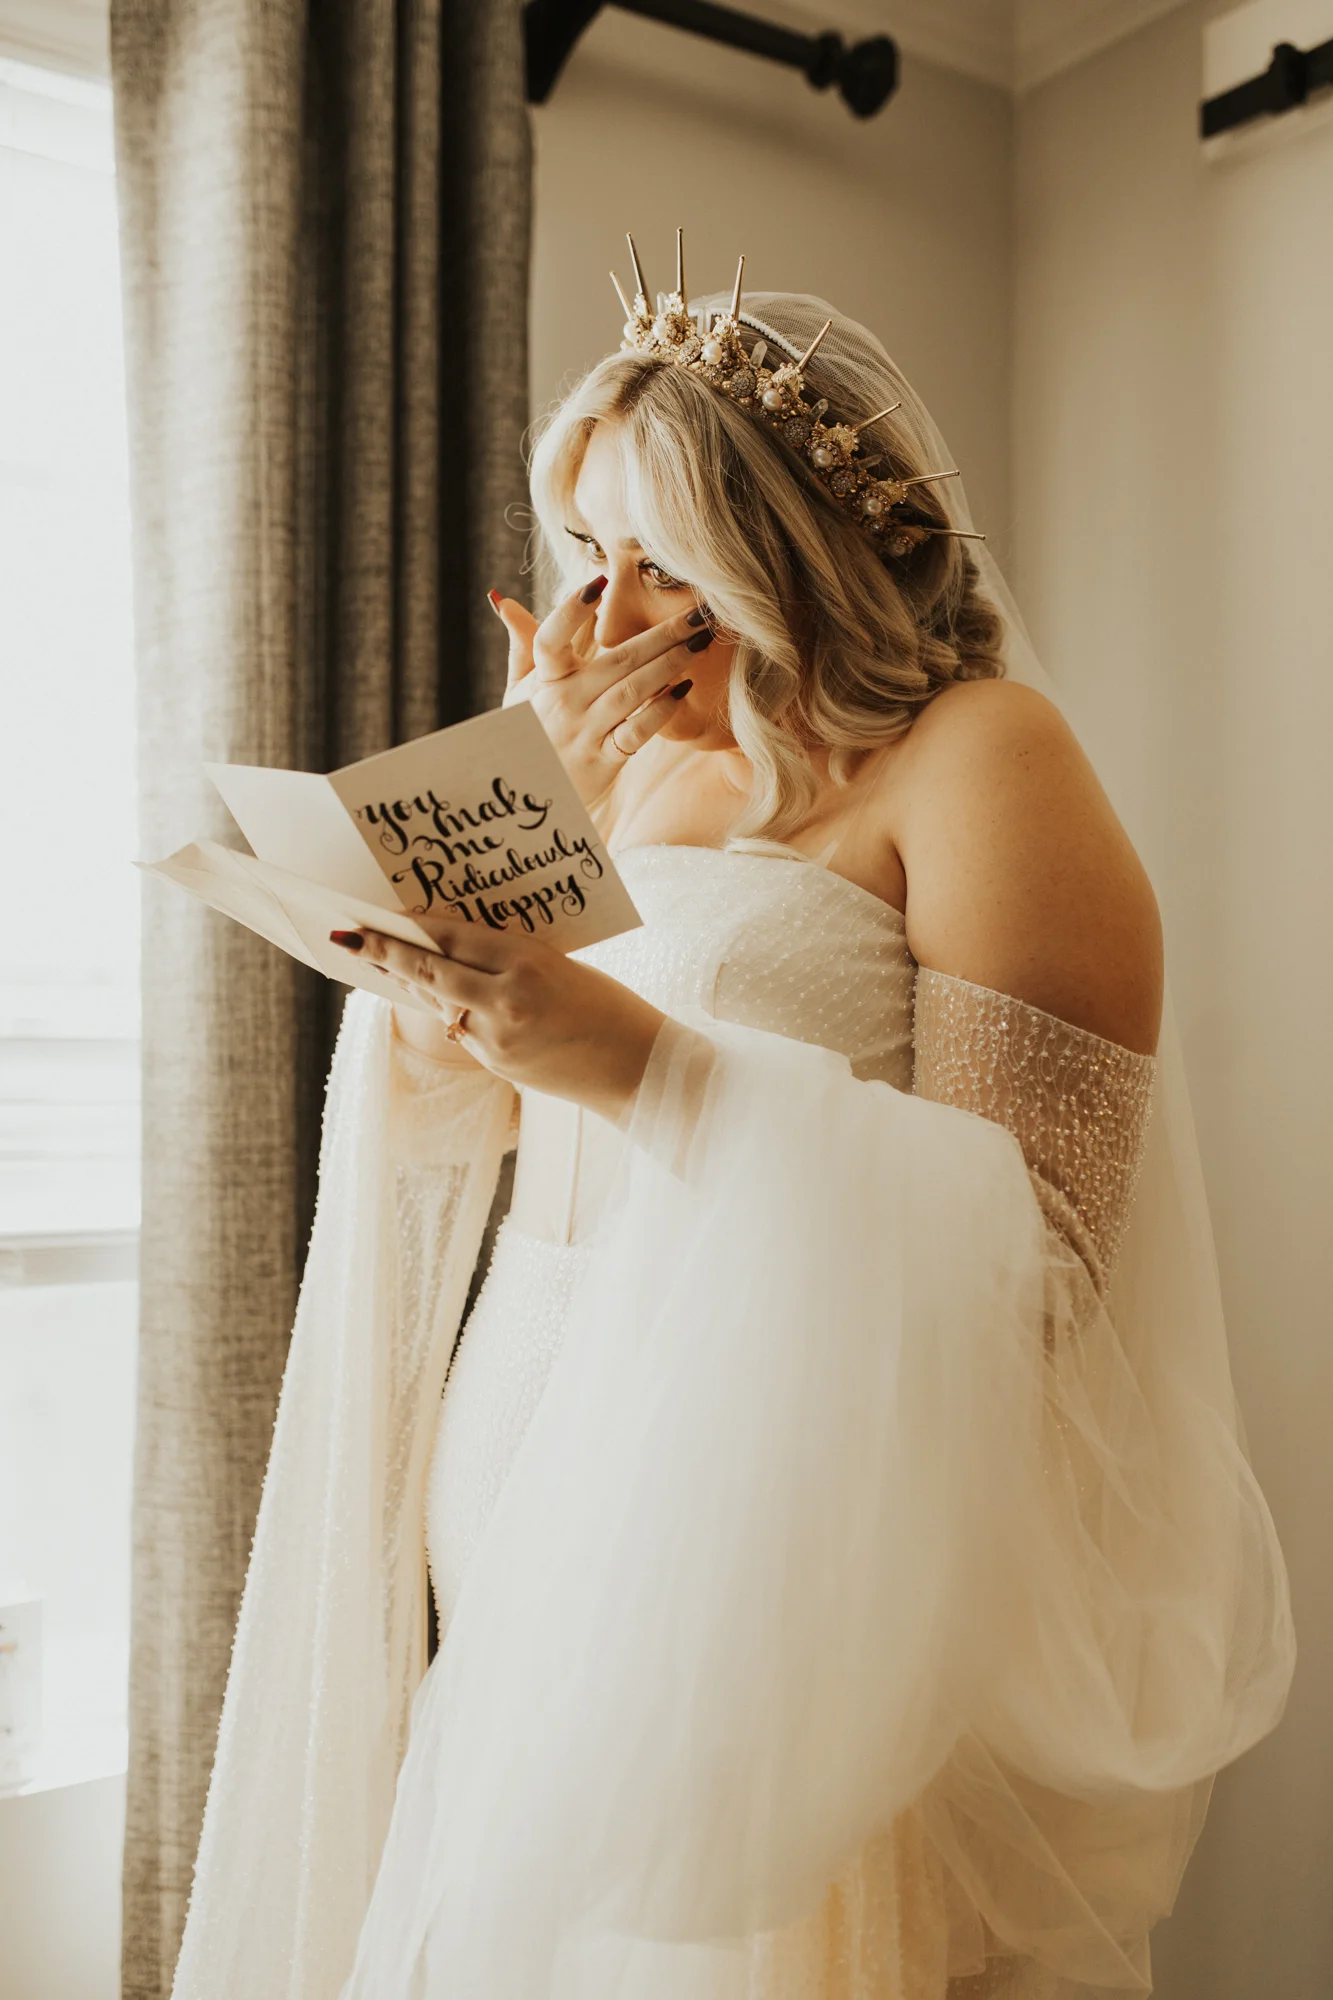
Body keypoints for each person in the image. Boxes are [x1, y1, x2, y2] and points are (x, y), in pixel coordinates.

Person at [170, 255, 1294, 2000]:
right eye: (585, 554)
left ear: (785, 551)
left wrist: (646, 1065)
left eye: (661, 562)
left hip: (799, 1545)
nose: (605, 614)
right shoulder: (630, 774)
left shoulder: (982, 759)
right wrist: (490, 873)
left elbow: (1044, 1271)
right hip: (532, 1517)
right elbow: (465, 1115)